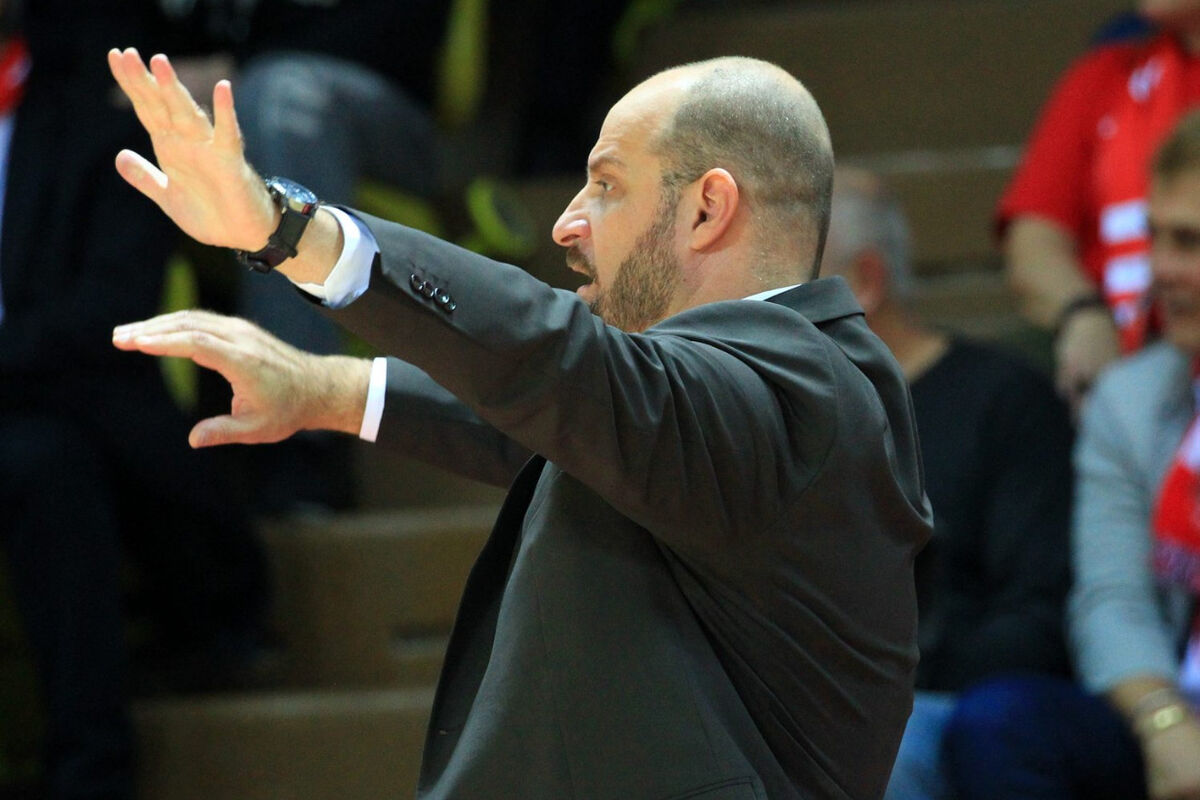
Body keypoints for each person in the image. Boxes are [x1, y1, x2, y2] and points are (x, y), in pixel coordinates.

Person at [106, 48, 933, 798]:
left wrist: (289, 230)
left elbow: (562, 368)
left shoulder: (807, 387)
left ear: (707, 209)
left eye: (606, 185)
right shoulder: (714, 411)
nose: (566, 223)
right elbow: (553, 424)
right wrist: (325, 387)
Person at [0, 3, 267, 799]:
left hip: (51, 396)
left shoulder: (91, 112)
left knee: (46, 464)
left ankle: (92, 771)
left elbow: (112, 308)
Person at [942, 110, 1200, 800]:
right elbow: (1111, 598)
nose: (1160, 270)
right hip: (1173, 714)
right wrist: (1165, 724)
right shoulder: (1133, 398)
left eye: (1189, 242)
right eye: (1155, 236)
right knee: (1000, 724)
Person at [821, 170, 1075, 800]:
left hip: (944, 707)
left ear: (863, 281)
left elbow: (1035, 613)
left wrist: (880, 683)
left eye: (780, 282)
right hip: (810, 707)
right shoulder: (777, 413)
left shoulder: (1005, 400)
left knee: (872, 757)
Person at [1000, 0, 1200, 414]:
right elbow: (1032, 241)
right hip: (1129, 359)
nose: (1159, 266)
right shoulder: (1106, 75)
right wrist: (1083, 313)